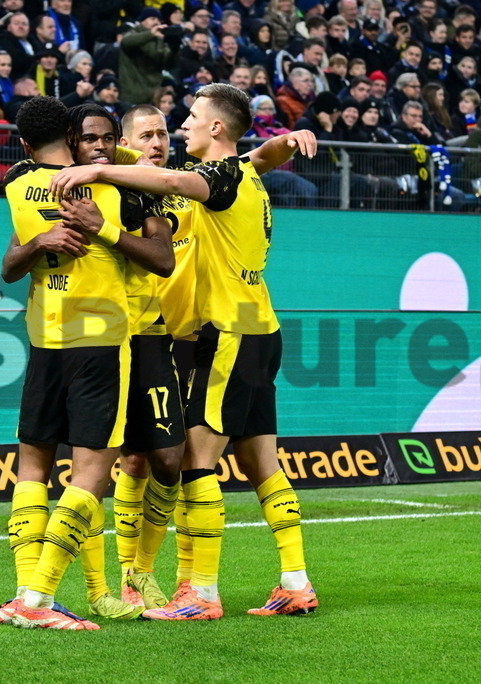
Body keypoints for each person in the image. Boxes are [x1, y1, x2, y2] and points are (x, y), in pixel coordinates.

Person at [47, 83, 319, 621]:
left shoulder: (206, 178)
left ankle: (201, 592)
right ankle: (294, 580)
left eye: (187, 119)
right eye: (150, 132)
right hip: (254, 325)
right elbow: (258, 154)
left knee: (196, 459)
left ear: (215, 127)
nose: (177, 129)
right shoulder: (237, 172)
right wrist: (287, 141)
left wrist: (96, 172)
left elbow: (176, 176)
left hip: (226, 332)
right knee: (258, 458)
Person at [0, 95, 173, 631]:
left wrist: (38, 236)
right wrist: (58, 234)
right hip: (99, 342)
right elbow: (163, 259)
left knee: (34, 465)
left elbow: (10, 266)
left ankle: (24, 594)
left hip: (46, 338)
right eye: (91, 137)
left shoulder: (17, 181)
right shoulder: (116, 189)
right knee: (92, 471)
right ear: (71, 135)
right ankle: (37, 600)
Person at [120, 8, 180, 105]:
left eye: (158, 20)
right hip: (132, 96)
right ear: (142, 20)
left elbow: (167, 63)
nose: (156, 22)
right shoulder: (134, 32)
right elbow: (126, 41)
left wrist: (174, 50)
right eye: (152, 18)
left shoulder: (160, 38)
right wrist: (151, 33)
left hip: (153, 95)